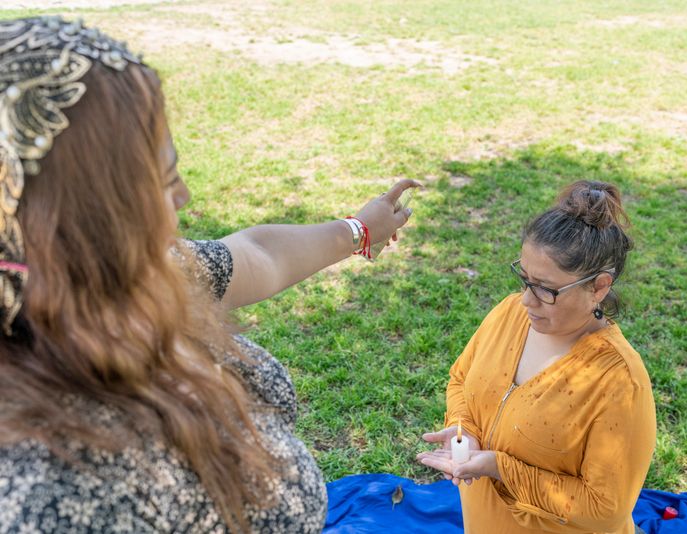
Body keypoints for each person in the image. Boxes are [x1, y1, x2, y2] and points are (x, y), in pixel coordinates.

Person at [0, 16, 416, 533]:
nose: (183, 197)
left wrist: (358, 229)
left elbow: (255, 255)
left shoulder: (126, 272)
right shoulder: (44, 493)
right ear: (90, 213)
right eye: (164, 178)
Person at [417, 180, 656, 534]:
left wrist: (499, 467)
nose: (526, 300)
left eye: (546, 289)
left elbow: (605, 509)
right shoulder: (510, 313)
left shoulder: (619, 380)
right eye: (524, 279)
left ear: (600, 287)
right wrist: (463, 430)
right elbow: (461, 378)